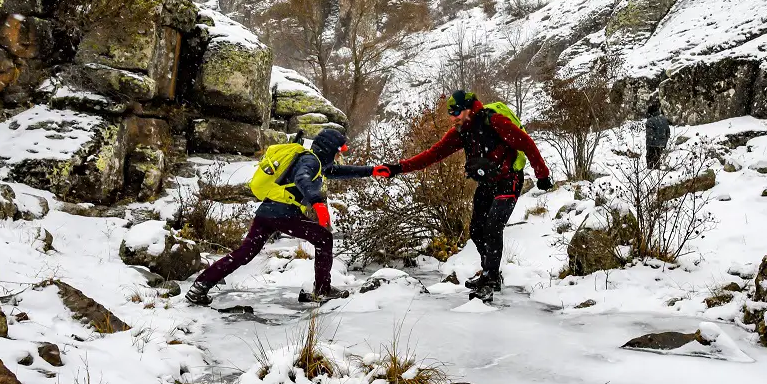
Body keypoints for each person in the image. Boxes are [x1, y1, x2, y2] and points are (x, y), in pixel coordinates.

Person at [372, 90, 553, 302]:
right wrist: (397, 168)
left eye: (457, 111)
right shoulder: (460, 132)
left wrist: (542, 175)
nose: (453, 117)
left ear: (470, 108)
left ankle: (490, 279)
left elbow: (527, 144)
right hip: (487, 184)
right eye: (451, 113)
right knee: (476, 230)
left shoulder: (495, 121)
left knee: (493, 226)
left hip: (509, 180)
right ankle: (489, 272)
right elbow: (433, 154)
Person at [186, 128, 372, 306]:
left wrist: (377, 170)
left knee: (244, 253)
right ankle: (322, 290)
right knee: (324, 238)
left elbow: (342, 171)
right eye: (338, 152)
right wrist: (318, 203)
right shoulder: (311, 162)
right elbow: (302, 178)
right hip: (284, 213)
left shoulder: (314, 162)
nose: (340, 156)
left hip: (267, 211)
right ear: (330, 149)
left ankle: (201, 285)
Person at [645, 100, 670, 169]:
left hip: (653, 145)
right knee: (657, 160)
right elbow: (668, 132)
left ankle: (651, 175)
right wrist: (664, 143)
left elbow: (650, 136)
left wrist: (648, 147)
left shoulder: (650, 121)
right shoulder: (664, 119)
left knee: (650, 162)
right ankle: (657, 173)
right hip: (661, 144)